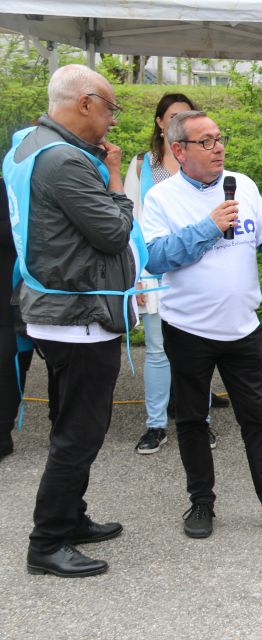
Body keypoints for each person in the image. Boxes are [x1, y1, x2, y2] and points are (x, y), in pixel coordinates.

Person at [141, 110, 262, 539]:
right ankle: (201, 505)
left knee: (257, 419)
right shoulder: (161, 198)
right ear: (179, 151)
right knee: (192, 420)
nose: (218, 147)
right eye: (205, 142)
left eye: (219, 138)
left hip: (244, 328)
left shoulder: (242, 184)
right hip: (188, 330)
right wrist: (207, 228)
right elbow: (155, 257)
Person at [4, 65, 135, 577]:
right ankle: (48, 541)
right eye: (110, 108)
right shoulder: (64, 161)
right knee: (79, 433)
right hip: (76, 315)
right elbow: (113, 231)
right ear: (84, 103)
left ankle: (72, 517)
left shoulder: (27, 145)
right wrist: (118, 183)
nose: (112, 120)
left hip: (54, 310)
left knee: (69, 424)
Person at [123, 93, 215, 455]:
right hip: (155, 270)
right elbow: (131, 224)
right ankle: (156, 425)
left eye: (188, 115)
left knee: (201, 349)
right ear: (161, 122)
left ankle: (200, 421)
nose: (181, 121)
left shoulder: (205, 164)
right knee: (159, 351)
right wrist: (135, 278)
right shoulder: (141, 166)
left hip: (198, 271)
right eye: (174, 116)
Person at [0, 177, 33, 462]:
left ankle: (2, 432)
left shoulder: (11, 186)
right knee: (8, 360)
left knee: (9, 359)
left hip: (18, 288)